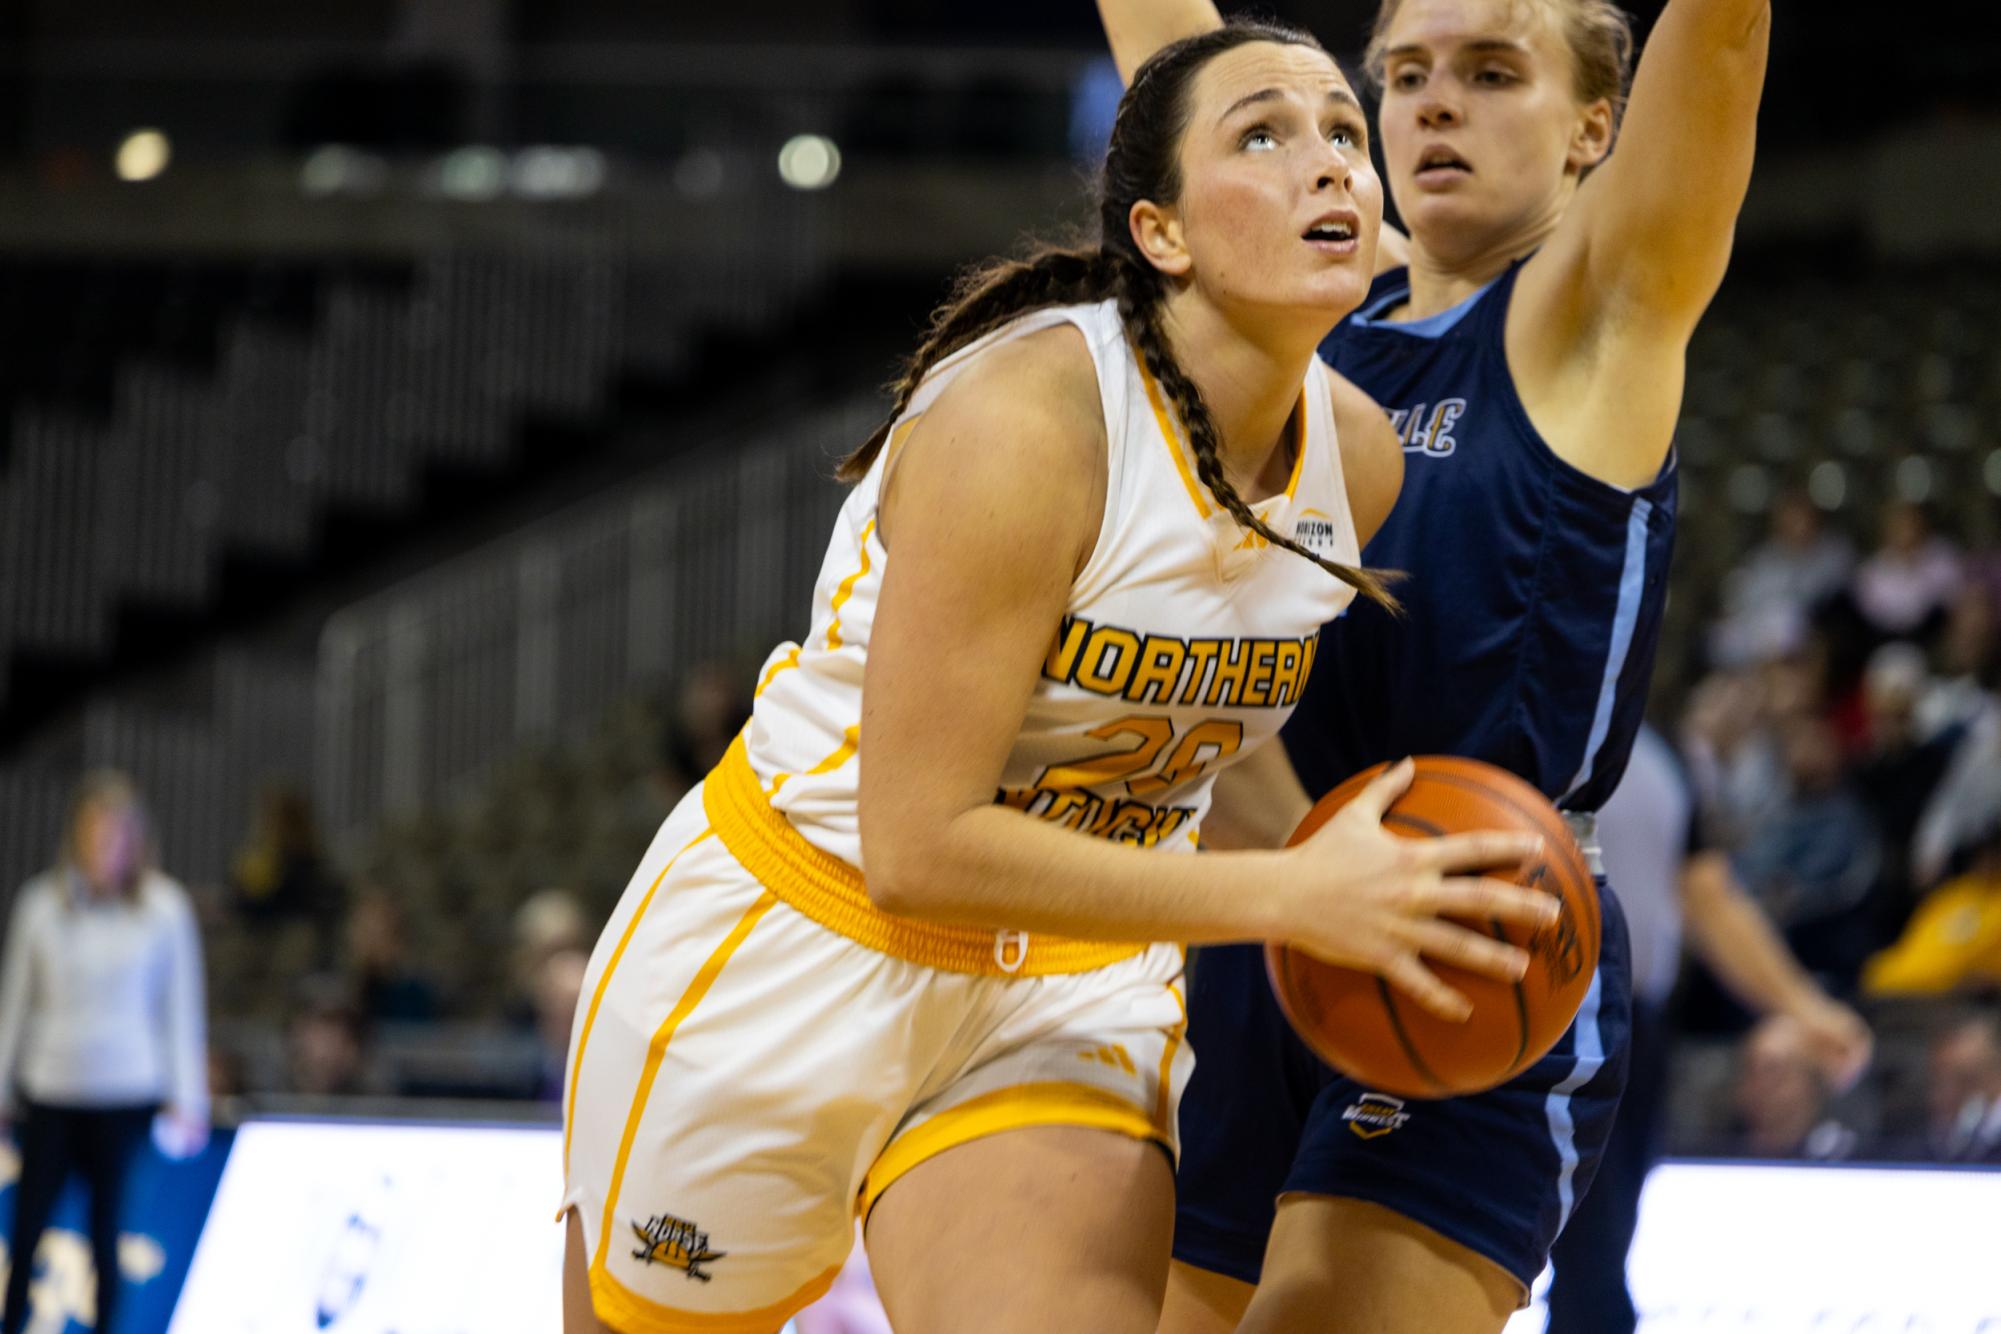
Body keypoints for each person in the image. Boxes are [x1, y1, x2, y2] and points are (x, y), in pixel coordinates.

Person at [560, 23, 1557, 1334]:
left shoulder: (1355, 461)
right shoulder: (1028, 422)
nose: (1326, 161)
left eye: (1338, 129)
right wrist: (1289, 895)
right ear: (1163, 235)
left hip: (1072, 978)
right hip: (800, 933)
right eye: (1263, 132)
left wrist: (1392, 893)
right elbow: (918, 845)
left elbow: (1192, 731)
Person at [1097, 0, 1767, 1328]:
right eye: (1402, 75)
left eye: (1488, 71)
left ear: (1594, 131)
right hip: (1257, 921)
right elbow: (1175, 65)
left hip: (1474, 936)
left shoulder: (1596, 309)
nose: (1430, 104)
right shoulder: (1307, 296)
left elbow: (1727, 44)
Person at [1543, 724, 1870, 1333]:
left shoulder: (1660, 747)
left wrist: (1804, 1007)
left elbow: (1708, 896)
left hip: (1629, 1029)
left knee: (1598, 1273)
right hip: (1519, 1014)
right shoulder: (1511, 702)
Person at [0, 772, 209, 1334]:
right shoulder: (41, 904)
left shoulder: (165, 909)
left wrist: (190, 1098)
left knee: (108, 1234)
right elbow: (14, 1003)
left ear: (135, 841)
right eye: (95, 834)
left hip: (127, 1095)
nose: (105, 848)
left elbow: (181, 1010)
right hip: (50, 1089)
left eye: (117, 835)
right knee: (27, 1230)